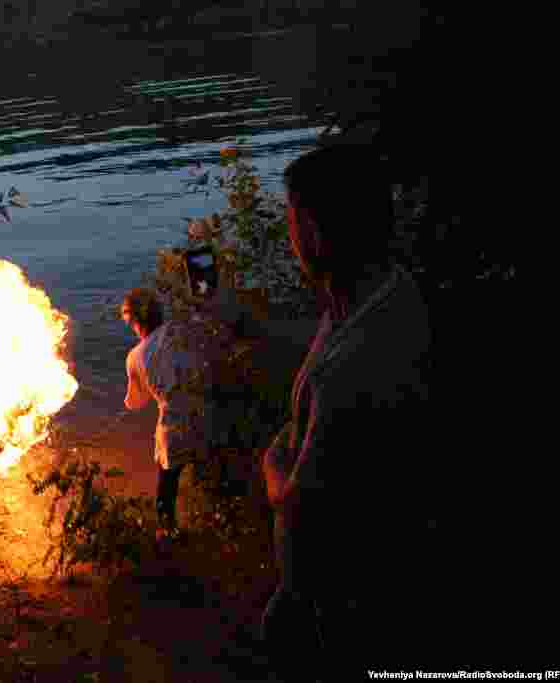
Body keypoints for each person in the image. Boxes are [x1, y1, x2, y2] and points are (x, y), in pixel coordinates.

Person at [204, 144, 433, 678]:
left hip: (345, 604)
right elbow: (326, 346)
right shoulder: (383, 294)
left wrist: (271, 462)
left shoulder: (354, 364)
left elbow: (298, 504)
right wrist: (251, 329)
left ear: (313, 230)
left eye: (292, 221)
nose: (292, 238)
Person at [121, 288, 220, 550]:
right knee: (211, 472)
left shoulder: (135, 356)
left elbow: (137, 402)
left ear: (134, 321)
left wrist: (128, 402)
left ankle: (168, 536)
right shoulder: (182, 329)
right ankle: (220, 522)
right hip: (205, 415)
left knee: (167, 487)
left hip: (173, 428)